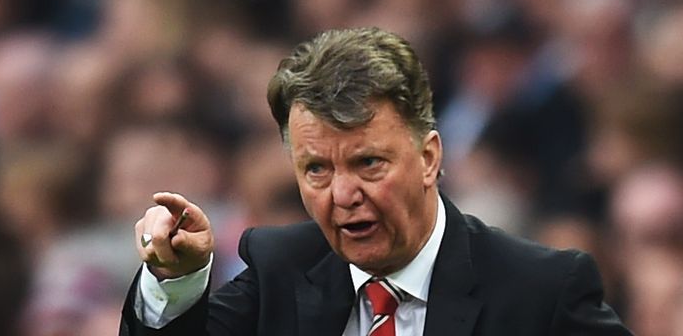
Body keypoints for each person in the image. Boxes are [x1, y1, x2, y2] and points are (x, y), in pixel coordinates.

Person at [119, 27, 631, 335]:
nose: (343, 196)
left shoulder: (540, 291)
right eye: (317, 169)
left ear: (429, 158)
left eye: (368, 164)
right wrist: (177, 280)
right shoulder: (283, 270)